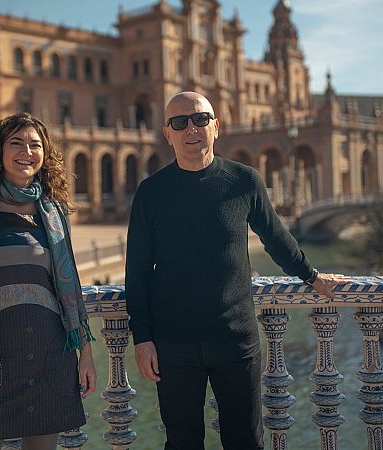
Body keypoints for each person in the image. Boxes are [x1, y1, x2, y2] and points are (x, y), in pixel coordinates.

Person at [125, 91, 347, 450]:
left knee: (245, 440)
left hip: (236, 340)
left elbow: (275, 239)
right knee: (182, 443)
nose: (191, 129)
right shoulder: (151, 192)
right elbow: (136, 269)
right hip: (172, 343)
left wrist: (313, 276)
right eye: (179, 122)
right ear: (168, 134)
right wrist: (143, 338)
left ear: (216, 126)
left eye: (200, 119)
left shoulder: (244, 181)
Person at [0, 112, 97, 450]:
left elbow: (70, 288)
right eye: (17, 143)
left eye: (35, 145)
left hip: (49, 359)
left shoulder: (53, 211)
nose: (27, 151)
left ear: (45, 154)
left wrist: (85, 355)